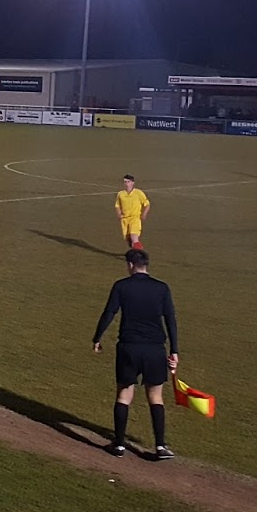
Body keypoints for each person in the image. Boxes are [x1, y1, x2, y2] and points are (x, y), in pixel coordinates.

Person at [92, 249, 180, 460]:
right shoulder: (162, 288)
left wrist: (97, 337)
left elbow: (109, 312)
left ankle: (119, 445)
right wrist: (174, 350)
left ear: (130, 265)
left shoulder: (121, 286)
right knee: (155, 396)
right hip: (155, 348)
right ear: (146, 265)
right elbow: (170, 319)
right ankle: (160, 445)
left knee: (124, 394)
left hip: (129, 347)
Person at [115, 174, 150, 251]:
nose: (126, 184)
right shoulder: (120, 194)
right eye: (125, 182)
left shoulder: (138, 193)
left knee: (134, 238)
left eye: (128, 182)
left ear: (133, 183)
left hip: (135, 218)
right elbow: (117, 205)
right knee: (129, 240)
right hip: (125, 220)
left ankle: (140, 255)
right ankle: (135, 252)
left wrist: (144, 214)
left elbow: (147, 204)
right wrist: (119, 214)